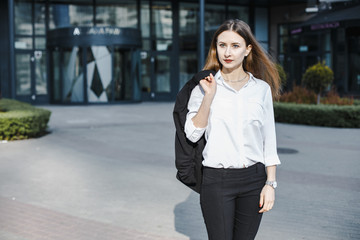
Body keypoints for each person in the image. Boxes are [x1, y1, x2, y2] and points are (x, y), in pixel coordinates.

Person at [184, 19, 281, 240]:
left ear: (247, 50)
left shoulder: (261, 90)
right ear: (215, 48)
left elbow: (269, 140)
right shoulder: (203, 87)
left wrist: (270, 184)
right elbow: (192, 133)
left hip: (254, 179)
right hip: (217, 181)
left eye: (235, 46)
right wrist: (209, 97)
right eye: (222, 45)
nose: (227, 52)